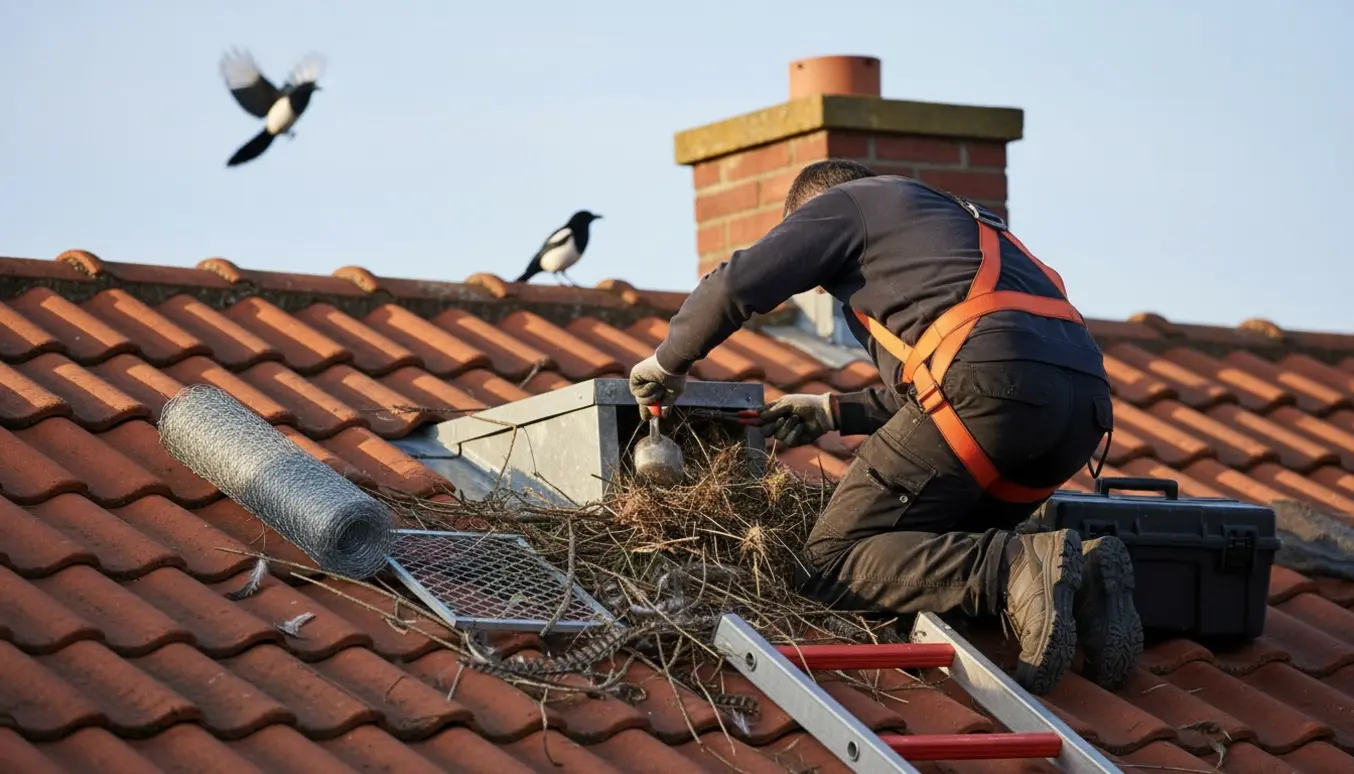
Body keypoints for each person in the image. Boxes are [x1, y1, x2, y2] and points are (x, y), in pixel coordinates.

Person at [628, 160, 1142, 695]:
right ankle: (1084, 579)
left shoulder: (845, 204)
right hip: (1079, 413)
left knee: (829, 561)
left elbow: (737, 282)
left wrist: (668, 363)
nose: (824, 292)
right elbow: (939, 380)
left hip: (991, 391)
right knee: (923, 551)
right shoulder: (950, 223)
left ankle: (1016, 563)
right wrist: (833, 411)